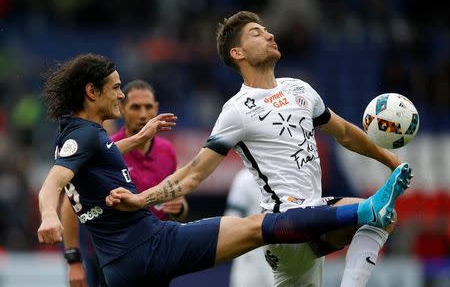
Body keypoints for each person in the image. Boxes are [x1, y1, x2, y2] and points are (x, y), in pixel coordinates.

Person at [37, 53, 412, 287]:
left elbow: (94, 156)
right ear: (91, 92)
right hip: (149, 245)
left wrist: (136, 139)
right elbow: (52, 182)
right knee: (257, 226)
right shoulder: (85, 138)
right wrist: (47, 217)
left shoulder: (78, 136)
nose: (121, 95)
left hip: (120, 264)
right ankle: (366, 210)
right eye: (116, 89)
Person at [61, 79, 188, 287]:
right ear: (120, 109)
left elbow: (179, 205)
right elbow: (69, 204)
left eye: (148, 107)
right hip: (113, 256)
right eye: (135, 107)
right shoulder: (105, 151)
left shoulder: (168, 151)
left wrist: (180, 208)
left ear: (156, 108)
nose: (143, 114)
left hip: (156, 253)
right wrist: (74, 260)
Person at [224, 168, 274, 287]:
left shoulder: (285, 176)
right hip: (250, 253)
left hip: (279, 250)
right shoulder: (244, 178)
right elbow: (231, 221)